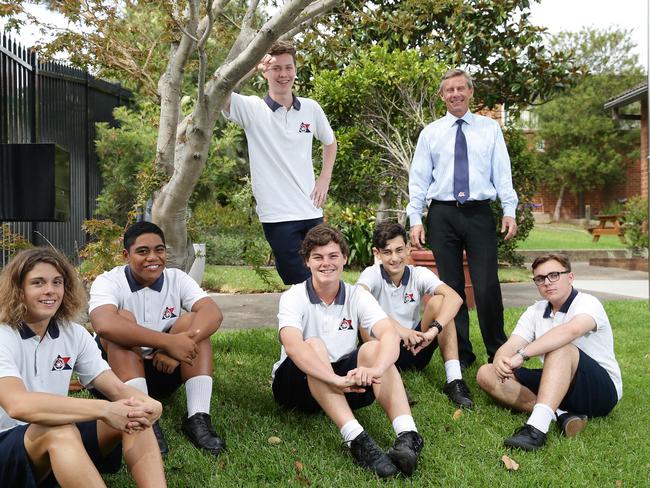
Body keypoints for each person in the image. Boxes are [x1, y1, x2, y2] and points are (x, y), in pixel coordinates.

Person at [0, 248, 166, 487]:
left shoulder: (73, 333)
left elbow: (116, 388)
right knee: (59, 430)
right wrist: (104, 409)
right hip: (7, 446)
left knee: (133, 413)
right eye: (38, 283)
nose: (50, 290)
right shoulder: (4, 335)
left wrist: (148, 403)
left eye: (57, 282)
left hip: (50, 441)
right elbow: (18, 405)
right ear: (18, 290)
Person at [271, 224, 423, 478]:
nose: (326, 263)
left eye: (332, 256)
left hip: (346, 383)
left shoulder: (356, 295)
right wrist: (334, 379)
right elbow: (293, 346)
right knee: (314, 344)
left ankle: (408, 436)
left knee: (374, 347)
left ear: (344, 258)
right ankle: (357, 440)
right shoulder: (293, 296)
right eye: (317, 257)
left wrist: (375, 369)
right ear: (307, 261)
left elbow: (388, 333)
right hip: (296, 387)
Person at [406, 68, 518, 369]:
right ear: (442, 96)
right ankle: (463, 354)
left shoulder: (489, 129)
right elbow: (418, 179)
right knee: (451, 288)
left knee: (486, 285)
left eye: (460, 89)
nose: (455, 94)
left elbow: (502, 173)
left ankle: (497, 350)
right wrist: (415, 217)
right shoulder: (430, 133)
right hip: (442, 214)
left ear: (470, 92)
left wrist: (509, 210)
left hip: (479, 213)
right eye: (449, 90)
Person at [89, 221, 225, 458]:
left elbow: (213, 313)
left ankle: (198, 417)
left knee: (196, 324)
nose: (153, 257)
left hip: (162, 368)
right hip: (117, 376)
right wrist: (168, 343)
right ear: (126, 255)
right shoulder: (108, 281)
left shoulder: (177, 278)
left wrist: (174, 348)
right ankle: (144, 418)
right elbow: (104, 324)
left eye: (159, 250)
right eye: (142, 251)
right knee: (121, 319)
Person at [476, 254, 622, 451]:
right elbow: (511, 344)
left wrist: (522, 355)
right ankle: (561, 414)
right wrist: (501, 360)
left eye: (554, 275)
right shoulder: (536, 310)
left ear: (570, 277)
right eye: (540, 278)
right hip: (557, 382)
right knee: (487, 372)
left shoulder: (587, 303)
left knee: (561, 346)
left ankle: (536, 430)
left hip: (600, 390)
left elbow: (571, 331)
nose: (547, 282)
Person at [223, 40, 337, 285]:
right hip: (277, 216)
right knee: (299, 281)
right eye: (276, 68)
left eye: (288, 67)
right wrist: (250, 66)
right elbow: (219, 89)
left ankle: (321, 323)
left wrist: (324, 179)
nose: (283, 74)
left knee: (323, 277)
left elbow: (330, 143)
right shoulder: (251, 109)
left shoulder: (311, 108)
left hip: (311, 210)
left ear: (295, 70)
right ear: (265, 72)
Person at [357, 221, 473, 408]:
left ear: (408, 249)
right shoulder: (372, 274)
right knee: (364, 316)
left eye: (399, 250)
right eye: (387, 252)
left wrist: (432, 332)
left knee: (440, 302)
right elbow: (357, 300)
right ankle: (392, 381)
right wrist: (401, 330)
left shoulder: (418, 273)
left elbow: (455, 298)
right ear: (376, 253)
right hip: (382, 349)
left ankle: (454, 380)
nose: (395, 258)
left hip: (416, 347)